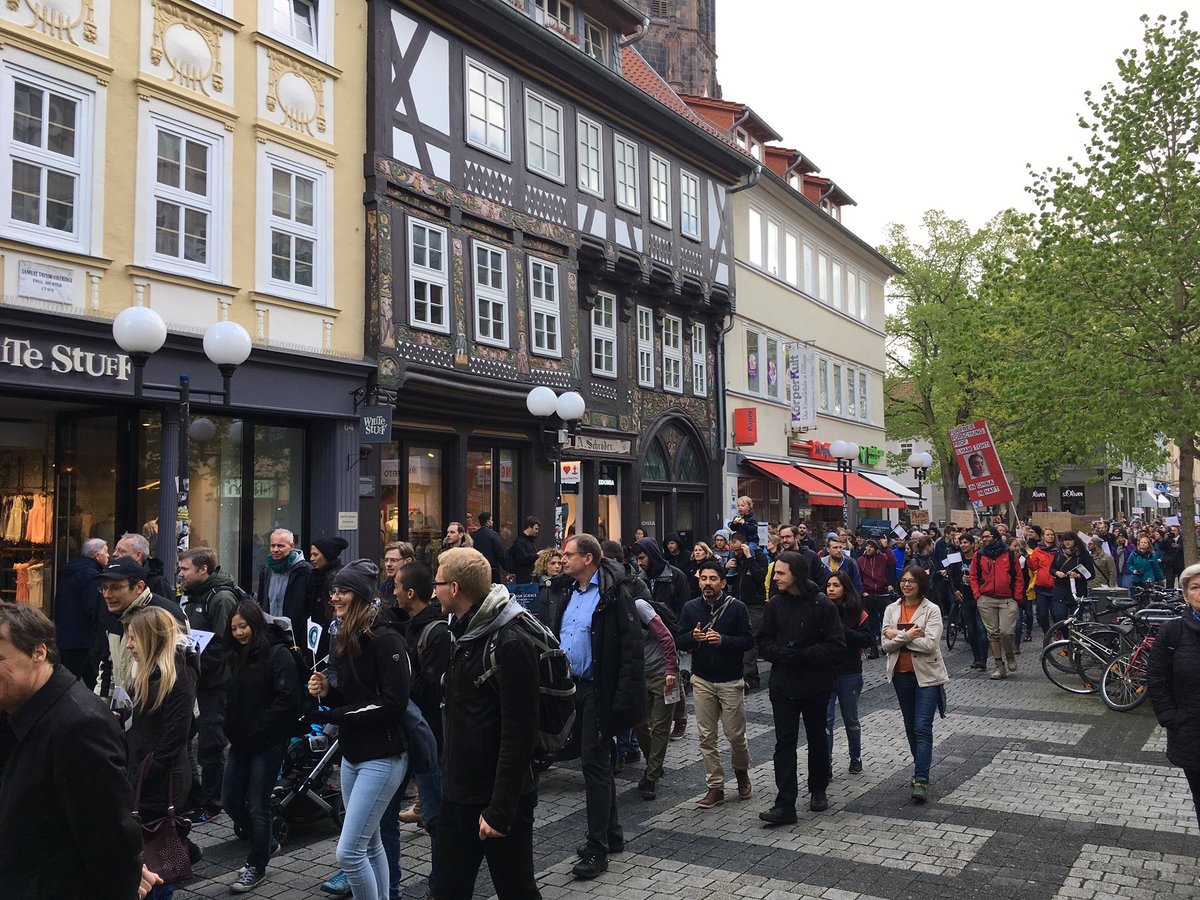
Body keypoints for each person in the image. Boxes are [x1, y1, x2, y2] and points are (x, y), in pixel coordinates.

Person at [0, 602, 150, 899]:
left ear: (38, 652)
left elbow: (109, 837)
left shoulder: (80, 726)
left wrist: (125, 881)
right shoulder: (16, 705)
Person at [433, 547, 542, 900]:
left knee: (517, 891)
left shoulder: (510, 641)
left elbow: (519, 734)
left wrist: (500, 809)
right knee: (447, 890)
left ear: (454, 588)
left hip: (498, 799)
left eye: (437, 584)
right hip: (458, 794)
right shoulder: (462, 631)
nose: (433, 591)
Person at [306, 560, 410, 900]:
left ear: (362, 597)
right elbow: (354, 696)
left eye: (343, 592)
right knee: (370, 844)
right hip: (353, 754)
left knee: (348, 852)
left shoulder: (386, 638)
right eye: (334, 591)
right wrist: (327, 690)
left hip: (383, 755)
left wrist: (339, 714)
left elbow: (394, 702)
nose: (335, 598)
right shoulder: (345, 634)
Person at [554, 534, 646, 880]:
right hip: (572, 688)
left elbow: (632, 651)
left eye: (568, 554)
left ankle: (597, 848)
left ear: (588, 558)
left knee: (593, 765)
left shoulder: (614, 594)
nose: (563, 559)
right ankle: (612, 833)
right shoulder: (567, 591)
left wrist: (622, 699)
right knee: (598, 764)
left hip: (598, 690)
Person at [221, 601, 304, 893]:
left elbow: (286, 700)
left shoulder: (279, 655)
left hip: (267, 742)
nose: (239, 633)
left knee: (258, 804)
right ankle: (266, 842)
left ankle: (257, 864)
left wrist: (260, 728)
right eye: (234, 628)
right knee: (230, 799)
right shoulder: (235, 655)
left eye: (243, 626)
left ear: (255, 625)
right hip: (240, 741)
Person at [757, 551, 845, 822]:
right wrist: (779, 652)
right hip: (783, 686)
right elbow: (762, 641)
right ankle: (785, 803)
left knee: (817, 738)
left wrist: (805, 654)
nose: (775, 577)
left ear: (796, 574)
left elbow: (837, 646)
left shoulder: (822, 604)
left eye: (780, 573)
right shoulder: (775, 604)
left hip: (816, 686)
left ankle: (818, 788)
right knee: (784, 742)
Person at [124, 606, 202, 900]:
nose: (129, 645)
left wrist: (147, 768)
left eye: (134, 638)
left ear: (151, 638)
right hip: (143, 772)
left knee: (158, 851)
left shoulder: (177, 675)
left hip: (161, 778)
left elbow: (175, 737)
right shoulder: (147, 671)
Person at [386, 562, 450, 897]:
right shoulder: (405, 625)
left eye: (397, 586)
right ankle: (389, 884)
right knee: (386, 815)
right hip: (403, 737)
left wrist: (397, 681)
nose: (393, 591)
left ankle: (440, 885)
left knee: (436, 818)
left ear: (410, 593)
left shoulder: (437, 633)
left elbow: (430, 690)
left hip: (430, 740)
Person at [674, 561, 753, 808]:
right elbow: (680, 640)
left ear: (723, 582)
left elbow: (748, 641)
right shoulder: (690, 607)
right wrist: (692, 637)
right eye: (703, 579)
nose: (707, 583)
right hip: (702, 679)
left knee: (735, 735)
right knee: (707, 737)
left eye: (712, 579)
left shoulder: (737, 607)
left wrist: (724, 640)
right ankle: (715, 786)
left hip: (730, 680)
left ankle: (741, 772)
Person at [177, 547, 240, 822]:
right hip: (195, 680)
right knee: (185, 736)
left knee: (211, 743)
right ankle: (194, 794)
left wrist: (196, 661)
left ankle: (213, 802)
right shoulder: (192, 596)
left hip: (215, 683)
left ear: (203, 569)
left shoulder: (221, 598)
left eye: (185, 569)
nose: (180, 574)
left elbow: (226, 645)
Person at [881, 565, 949, 804]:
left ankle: (921, 778)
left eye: (912, 581)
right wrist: (910, 635)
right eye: (903, 580)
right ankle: (920, 765)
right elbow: (885, 646)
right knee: (911, 726)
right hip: (901, 676)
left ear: (921, 584)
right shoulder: (891, 609)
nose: (906, 585)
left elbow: (930, 645)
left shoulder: (932, 609)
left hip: (927, 676)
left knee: (922, 727)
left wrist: (899, 636)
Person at [1147, 561, 1200, 829]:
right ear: (1186, 595)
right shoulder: (1173, 631)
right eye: (1196, 587)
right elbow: (1157, 677)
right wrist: (1170, 717)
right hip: (1192, 733)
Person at [94, 557, 188, 706]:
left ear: (139, 587)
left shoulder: (166, 614)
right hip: (128, 710)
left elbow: (182, 673)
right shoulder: (113, 613)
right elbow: (107, 665)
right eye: (103, 588)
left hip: (160, 711)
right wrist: (101, 707)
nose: (107, 595)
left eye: (115, 588)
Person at [629, 564, 681, 801]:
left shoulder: (640, 606)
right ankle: (655, 765)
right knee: (640, 724)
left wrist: (671, 669)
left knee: (660, 727)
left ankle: (651, 777)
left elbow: (667, 638)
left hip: (664, 675)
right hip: (642, 676)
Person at [633, 537, 691, 737]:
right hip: (647, 635)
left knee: (672, 676)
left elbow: (683, 606)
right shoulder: (639, 578)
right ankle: (665, 717)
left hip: (670, 632)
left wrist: (679, 634)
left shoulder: (675, 575)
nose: (640, 562)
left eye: (642, 557)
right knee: (665, 678)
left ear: (652, 555)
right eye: (637, 559)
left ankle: (680, 718)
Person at [824, 571, 871, 775]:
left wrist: (843, 630)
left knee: (851, 719)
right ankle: (826, 764)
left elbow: (866, 639)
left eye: (836, 585)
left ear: (845, 589)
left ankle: (855, 757)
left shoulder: (856, 612)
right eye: (828, 585)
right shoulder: (821, 609)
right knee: (826, 722)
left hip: (850, 672)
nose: (831, 589)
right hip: (825, 672)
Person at [969, 527, 1023, 681]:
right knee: (992, 634)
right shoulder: (979, 555)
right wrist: (977, 595)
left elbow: (1018, 577)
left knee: (1007, 632)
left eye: (987, 536)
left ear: (996, 537)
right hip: (986, 599)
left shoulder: (1009, 554)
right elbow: (973, 576)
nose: (984, 539)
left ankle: (1010, 655)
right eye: (983, 537)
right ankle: (999, 666)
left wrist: (1016, 596)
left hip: (1007, 599)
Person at [53, 536, 108, 684]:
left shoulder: (70, 571)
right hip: (84, 637)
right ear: (97, 555)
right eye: (106, 551)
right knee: (87, 679)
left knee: (70, 677)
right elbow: (92, 606)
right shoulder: (92, 575)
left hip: (67, 634)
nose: (109, 555)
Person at [256, 528, 315, 660]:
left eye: (280, 546)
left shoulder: (305, 571)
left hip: (296, 638)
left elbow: (310, 608)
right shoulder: (266, 570)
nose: (275, 550)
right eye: (272, 545)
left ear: (292, 546)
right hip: (270, 636)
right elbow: (261, 601)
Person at [723, 532, 769, 692]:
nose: (736, 553)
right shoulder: (735, 559)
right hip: (737, 603)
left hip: (754, 605)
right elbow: (729, 581)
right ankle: (742, 675)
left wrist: (749, 558)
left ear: (744, 546)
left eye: (738, 550)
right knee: (737, 640)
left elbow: (760, 576)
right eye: (733, 550)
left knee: (750, 641)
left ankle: (749, 678)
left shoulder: (757, 556)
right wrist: (726, 568)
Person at [950, 533, 988, 670]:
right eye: (961, 543)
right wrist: (955, 590)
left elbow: (987, 576)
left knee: (981, 628)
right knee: (971, 630)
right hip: (964, 598)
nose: (963, 545)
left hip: (979, 597)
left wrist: (975, 581)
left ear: (972, 544)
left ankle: (983, 659)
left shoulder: (980, 558)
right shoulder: (956, 558)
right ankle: (976, 658)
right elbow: (951, 576)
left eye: (965, 542)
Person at [858, 538, 894, 660]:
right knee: (870, 623)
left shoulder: (882, 557)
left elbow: (892, 562)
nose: (868, 549)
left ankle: (886, 645)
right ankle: (874, 648)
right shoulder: (861, 560)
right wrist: (863, 592)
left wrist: (886, 547)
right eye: (867, 546)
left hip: (882, 594)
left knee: (886, 621)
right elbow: (859, 577)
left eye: (871, 546)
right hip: (869, 594)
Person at [113, 532, 175, 599]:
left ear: (138, 555)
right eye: (115, 550)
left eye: (121, 551)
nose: (114, 554)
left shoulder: (157, 583)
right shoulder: (110, 577)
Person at [1051, 532, 1093, 627]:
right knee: (1060, 616)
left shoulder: (1083, 554)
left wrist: (1078, 575)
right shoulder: (1059, 553)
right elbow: (1052, 569)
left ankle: (1075, 635)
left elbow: (1091, 574)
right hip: (1061, 590)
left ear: (1075, 541)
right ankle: (1065, 634)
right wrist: (1057, 573)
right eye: (1065, 540)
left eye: (1069, 540)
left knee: (1077, 619)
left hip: (1077, 591)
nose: (1067, 542)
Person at [310, 536, 349, 623]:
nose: (311, 559)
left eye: (315, 555)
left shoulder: (337, 578)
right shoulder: (316, 575)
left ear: (327, 556)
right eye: (311, 554)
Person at [532, 547, 568, 625]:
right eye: (553, 563)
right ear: (545, 566)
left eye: (559, 563)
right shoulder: (536, 586)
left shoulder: (567, 584)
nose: (557, 566)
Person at [473, 512, 508, 583]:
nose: (492, 522)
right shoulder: (493, 535)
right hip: (491, 571)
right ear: (488, 522)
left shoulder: (473, 535)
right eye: (491, 520)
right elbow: (500, 553)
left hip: (477, 571)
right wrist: (506, 568)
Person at [507, 517, 541, 584]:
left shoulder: (530, 541)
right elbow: (523, 558)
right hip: (523, 578)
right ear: (529, 527)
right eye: (536, 529)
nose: (537, 531)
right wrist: (537, 555)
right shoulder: (519, 541)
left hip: (530, 577)